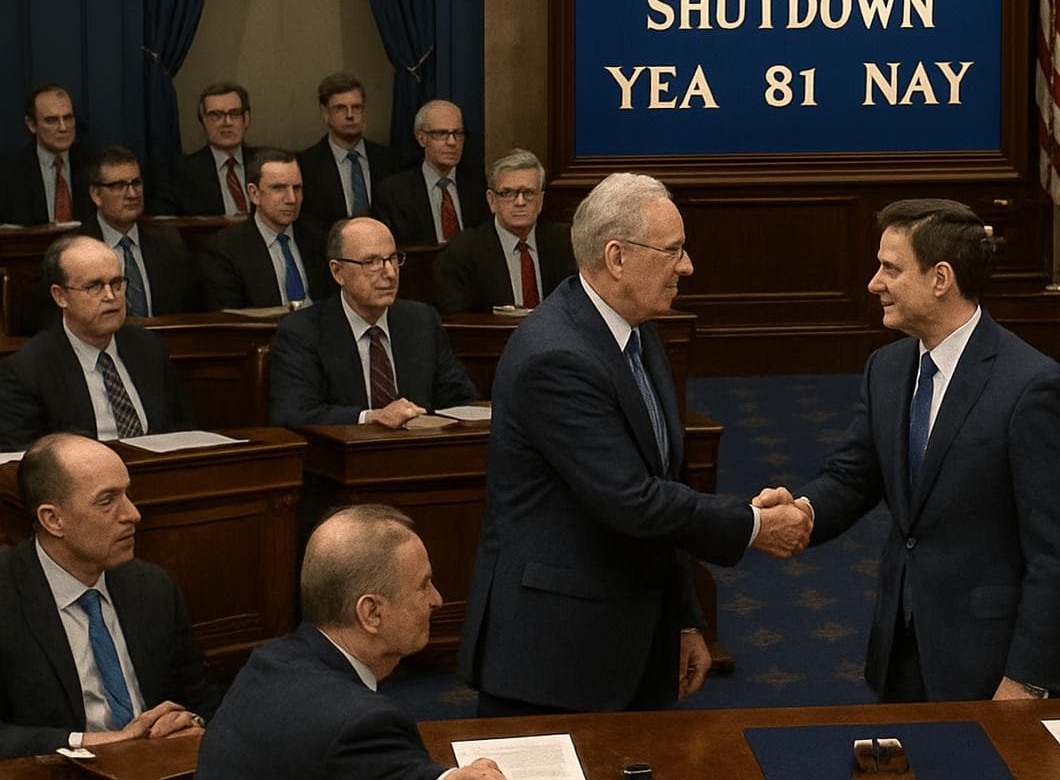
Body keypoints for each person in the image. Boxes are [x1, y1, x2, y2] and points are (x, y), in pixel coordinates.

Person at [458, 173, 810, 714]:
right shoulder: (556, 357)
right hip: (555, 658)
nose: (687, 266)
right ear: (617, 257)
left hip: (631, 633)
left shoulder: (639, 335)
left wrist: (686, 617)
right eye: (672, 251)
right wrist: (755, 525)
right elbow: (631, 500)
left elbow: (665, 484)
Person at [761, 199, 1060, 701]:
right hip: (904, 643)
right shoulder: (886, 369)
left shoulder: (1033, 386)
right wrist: (802, 510)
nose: (874, 283)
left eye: (890, 269)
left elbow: (1056, 553)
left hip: (990, 659)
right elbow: (853, 478)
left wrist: (1028, 676)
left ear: (941, 278)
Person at [194, 506, 502, 780]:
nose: (437, 600)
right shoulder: (359, 725)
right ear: (371, 613)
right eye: (423, 586)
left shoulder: (269, 662)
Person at [0, 433, 219, 758]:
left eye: (127, 494)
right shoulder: (7, 593)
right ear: (53, 519)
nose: (132, 514)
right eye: (107, 501)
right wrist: (91, 741)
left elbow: (204, 697)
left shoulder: (152, 587)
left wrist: (192, 721)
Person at [268, 217, 480, 428]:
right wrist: (371, 417)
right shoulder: (302, 332)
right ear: (337, 271)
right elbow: (293, 414)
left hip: (418, 453)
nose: (389, 273)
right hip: (343, 457)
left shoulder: (421, 321)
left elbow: (461, 399)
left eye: (393, 258)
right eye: (371, 262)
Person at [0, 236, 192, 450]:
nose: (111, 296)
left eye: (117, 283)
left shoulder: (148, 346)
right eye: (95, 286)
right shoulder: (26, 370)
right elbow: (25, 461)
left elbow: (180, 431)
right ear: (60, 296)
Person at [432, 150, 577, 314]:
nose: (520, 202)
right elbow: (456, 318)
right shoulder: (461, 253)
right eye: (508, 193)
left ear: (540, 200)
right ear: (491, 200)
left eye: (528, 193)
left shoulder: (563, 244)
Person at [198, 149, 330, 310]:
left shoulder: (319, 239)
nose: (291, 199)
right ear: (254, 194)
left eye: (296, 188)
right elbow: (230, 321)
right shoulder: (223, 250)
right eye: (279, 188)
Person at [80, 147, 200, 316]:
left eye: (136, 183)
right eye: (119, 186)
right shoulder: (75, 251)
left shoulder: (169, 244)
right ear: (96, 194)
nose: (132, 194)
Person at [295, 72, 403, 233]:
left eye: (357, 107)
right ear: (325, 113)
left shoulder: (391, 161)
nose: (350, 115)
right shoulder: (305, 166)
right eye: (340, 108)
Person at [372, 100, 488, 246]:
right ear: (421, 138)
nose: (452, 142)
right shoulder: (394, 191)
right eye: (441, 133)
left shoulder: (477, 185)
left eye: (458, 133)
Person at [3, 83, 93, 225]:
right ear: (32, 124)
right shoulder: (9, 174)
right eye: (52, 120)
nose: (63, 128)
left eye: (68, 118)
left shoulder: (95, 165)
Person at [165, 81, 257, 217]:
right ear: (203, 121)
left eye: (234, 113)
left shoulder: (268, 165)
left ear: (247, 118)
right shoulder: (179, 174)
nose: (227, 122)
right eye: (216, 115)